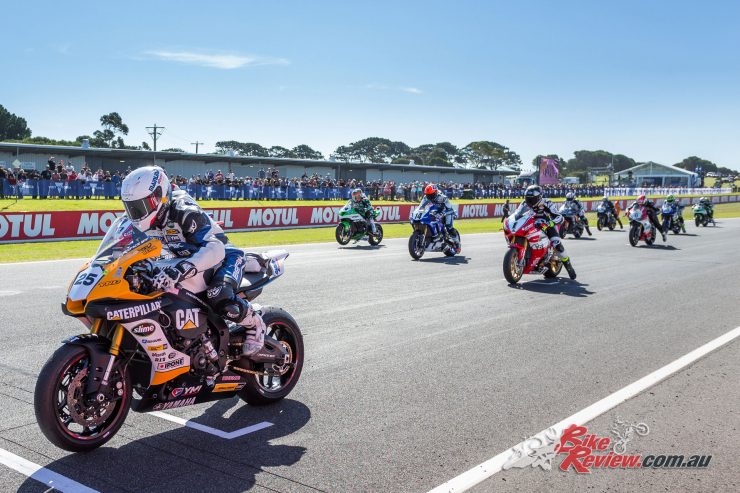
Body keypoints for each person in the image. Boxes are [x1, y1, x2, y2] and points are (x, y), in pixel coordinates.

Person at [120, 165, 265, 356]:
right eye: (133, 207)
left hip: (222, 258)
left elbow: (215, 248)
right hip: (184, 261)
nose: (137, 212)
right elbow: (123, 249)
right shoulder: (137, 221)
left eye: (142, 206)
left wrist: (181, 269)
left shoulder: (183, 210)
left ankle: (255, 324)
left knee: (218, 295)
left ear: (160, 194)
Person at [522, 185, 576, 279]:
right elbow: (517, 214)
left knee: (557, 244)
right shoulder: (524, 204)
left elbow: (559, 216)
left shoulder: (547, 203)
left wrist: (550, 223)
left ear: (539, 197)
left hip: (546, 226)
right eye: (527, 198)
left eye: (532, 199)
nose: (529, 201)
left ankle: (569, 266)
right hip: (531, 225)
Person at [420, 184, 460, 252]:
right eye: (427, 194)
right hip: (434, 211)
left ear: (435, 192)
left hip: (446, 212)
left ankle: (457, 243)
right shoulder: (425, 197)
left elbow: (450, 209)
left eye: (431, 194)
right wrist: (420, 210)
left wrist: (443, 213)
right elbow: (421, 206)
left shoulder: (443, 197)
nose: (429, 196)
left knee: (449, 227)